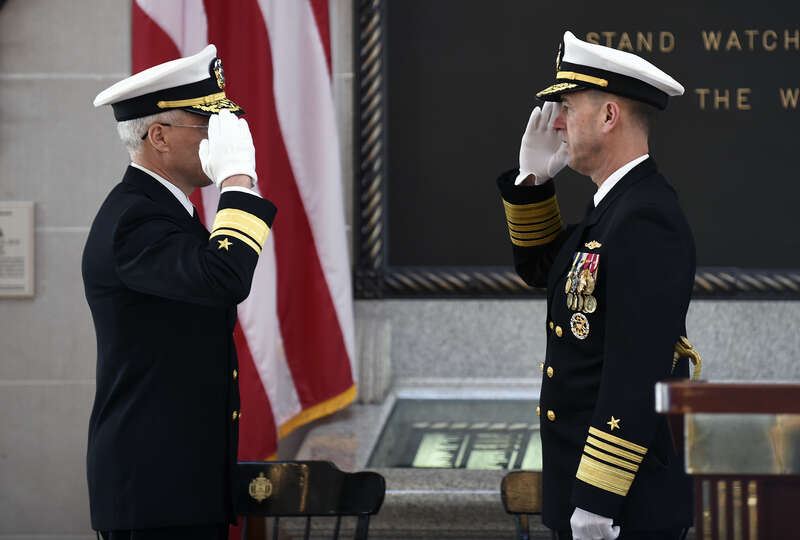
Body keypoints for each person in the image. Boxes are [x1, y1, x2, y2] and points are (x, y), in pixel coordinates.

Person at [497, 32, 695, 540]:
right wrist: (533, 182)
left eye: (567, 106)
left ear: (609, 117)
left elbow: (636, 370)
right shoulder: (614, 207)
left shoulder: (645, 215)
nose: (556, 121)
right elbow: (546, 270)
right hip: (587, 495)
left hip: (622, 509)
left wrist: (597, 501)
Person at [83, 45, 277, 540]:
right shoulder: (136, 219)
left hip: (176, 485)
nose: (219, 140)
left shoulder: (167, 210)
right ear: (159, 136)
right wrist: (237, 181)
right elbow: (224, 278)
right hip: (152, 489)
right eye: (207, 125)